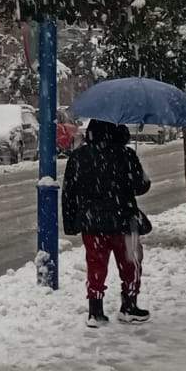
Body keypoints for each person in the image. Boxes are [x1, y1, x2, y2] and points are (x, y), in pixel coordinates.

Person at [61, 119, 152, 327]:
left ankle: (95, 311)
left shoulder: (78, 157)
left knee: (96, 265)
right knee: (131, 264)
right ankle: (129, 305)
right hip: (124, 221)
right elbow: (140, 186)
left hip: (92, 223)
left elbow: (69, 193)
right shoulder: (126, 154)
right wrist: (141, 176)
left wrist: (71, 223)